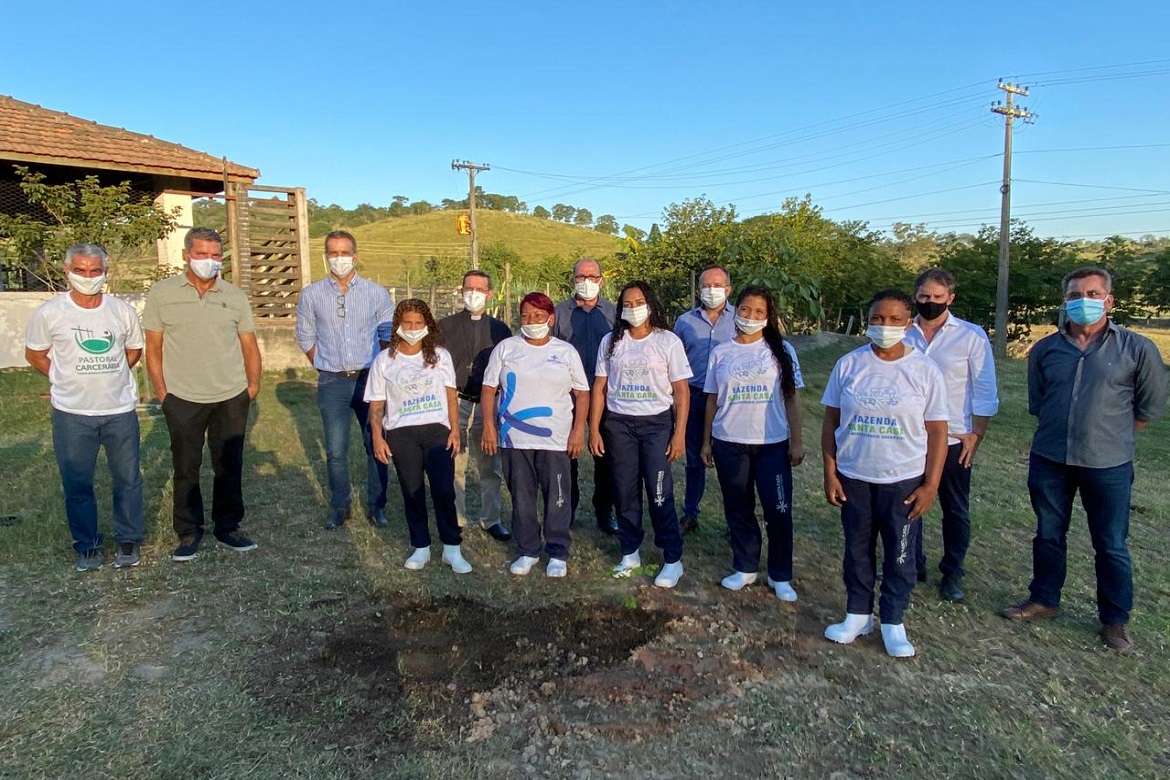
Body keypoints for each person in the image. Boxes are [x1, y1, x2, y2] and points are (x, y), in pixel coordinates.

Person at [1002, 267, 1167, 654]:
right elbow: (1040, 402)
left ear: (1109, 300)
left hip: (1107, 463)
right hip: (1050, 458)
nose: (1084, 301)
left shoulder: (1136, 348)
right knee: (1047, 534)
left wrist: (1109, 436)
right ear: (1065, 301)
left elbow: (1148, 408)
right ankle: (1043, 599)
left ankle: (1114, 621)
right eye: (1076, 294)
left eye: (1093, 294)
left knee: (1110, 544)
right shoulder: (1045, 350)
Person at [821, 289, 948, 658]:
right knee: (857, 551)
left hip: (903, 481)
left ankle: (893, 622)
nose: (885, 326)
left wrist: (930, 484)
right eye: (878, 318)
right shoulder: (849, 365)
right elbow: (831, 420)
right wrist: (831, 472)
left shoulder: (924, 370)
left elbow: (938, 431)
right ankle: (858, 614)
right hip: (855, 476)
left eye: (895, 320)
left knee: (900, 554)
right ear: (867, 321)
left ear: (909, 324)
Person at [143, 227, 262, 562]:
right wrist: (163, 392)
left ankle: (228, 527)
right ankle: (188, 531)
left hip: (230, 394)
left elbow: (249, 345)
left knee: (229, 464)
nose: (208, 261)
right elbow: (154, 347)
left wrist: (251, 386)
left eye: (214, 255)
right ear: (186, 255)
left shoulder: (234, 296)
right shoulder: (162, 294)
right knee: (186, 467)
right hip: (182, 396)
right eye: (201, 254)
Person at [24, 243, 146, 571]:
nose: (88, 277)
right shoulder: (50, 313)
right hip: (72, 413)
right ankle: (87, 545)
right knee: (78, 482)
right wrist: (64, 377)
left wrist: (112, 375)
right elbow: (35, 354)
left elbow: (133, 350)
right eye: (81, 271)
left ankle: (128, 540)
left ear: (106, 273)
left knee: (127, 478)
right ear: (67, 272)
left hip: (119, 409)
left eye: (96, 271)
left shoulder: (121, 311)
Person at [701, 285, 804, 600]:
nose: (751, 316)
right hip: (729, 442)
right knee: (738, 508)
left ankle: (780, 574)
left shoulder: (781, 351)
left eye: (759, 312)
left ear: (769, 316)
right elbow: (711, 399)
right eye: (745, 309)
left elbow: (792, 398)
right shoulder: (721, 352)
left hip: (772, 443)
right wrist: (706, 441)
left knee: (778, 509)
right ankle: (745, 567)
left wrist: (796, 441)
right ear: (736, 310)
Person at [903, 268, 999, 601]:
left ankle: (952, 572)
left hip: (955, 437)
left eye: (938, 298)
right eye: (925, 297)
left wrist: (977, 434)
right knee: (910, 503)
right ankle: (912, 563)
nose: (931, 303)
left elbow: (985, 389)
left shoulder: (971, 337)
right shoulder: (902, 332)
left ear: (950, 299)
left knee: (954, 509)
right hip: (911, 437)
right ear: (915, 296)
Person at [590, 280, 691, 589]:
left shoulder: (668, 341)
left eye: (639, 302)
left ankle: (672, 559)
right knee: (624, 490)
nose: (633, 309)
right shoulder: (611, 341)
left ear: (651, 304)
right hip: (619, 425)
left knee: (659, 492)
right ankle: (629, 551)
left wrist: (679, 434)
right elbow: (599, 388)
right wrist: (594, 428)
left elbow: (682, 391)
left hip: (656, 425)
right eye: (627, 304)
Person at [481, 293, 590, 577]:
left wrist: (579, 430)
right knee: (522, 496)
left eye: (539, 316)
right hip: (514, 438)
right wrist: (490, 427)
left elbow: (582, 393)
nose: (531, 321)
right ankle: (527, 549)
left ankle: (557, 551)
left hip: (555, 439)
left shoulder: (565, 352)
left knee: (557, 496)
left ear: (550, 319)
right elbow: (489, 388)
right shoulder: (507, 348)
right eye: (526, 316)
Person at [295, 230, 393, 530]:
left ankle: (377, 505)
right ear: (326, 257)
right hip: (332, 382)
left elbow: (387, 336)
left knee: (375, 443)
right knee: (336, 450)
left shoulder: (376, 293)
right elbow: (305, 336)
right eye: (333, 253)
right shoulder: (311, 295)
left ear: (356, 256)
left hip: (368, 380)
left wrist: (381, 373)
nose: (339, 259)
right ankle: (340, 506)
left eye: (344, 252)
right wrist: (324, 364)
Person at [366, 299, 471, 574]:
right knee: (412, 491)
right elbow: (376, 405)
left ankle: (452, 548)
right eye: (407, 323)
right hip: (401, 434)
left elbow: (451, 395)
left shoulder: (440, 356)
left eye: (418, 323)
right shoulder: (384, 360)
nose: (412, 328)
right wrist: (378, 437)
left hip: (437, 431)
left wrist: (455, 430)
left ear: (428, 325)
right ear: (398, 326)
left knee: (443, 490)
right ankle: (421, 546)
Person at [438, 270, 512, 542]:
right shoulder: (444, 327)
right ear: (461, 291)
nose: (473, 293)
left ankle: (491, 519)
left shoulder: (500, 330)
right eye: (469, 288)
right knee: (455, 461)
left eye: (479, 289)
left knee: (489, 464)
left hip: (487, 403)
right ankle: (455, 517)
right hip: (456, 400)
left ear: (490, 294)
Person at [551, 257, 619, 536]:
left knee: (607, 456)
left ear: (601, 280)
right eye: (581, 277)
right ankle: (568, 508)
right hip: (568, 397)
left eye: (592, 277)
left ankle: (605, 510)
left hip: (607, 395)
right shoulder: (559, 314)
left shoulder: (615, 314)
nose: (586, 282)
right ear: (573, 280)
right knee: (568, 454)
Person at [674, 265, 736, 535]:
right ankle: (690, 513)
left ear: (728, 289)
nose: (711, 291)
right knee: (694, 460)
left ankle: (735, 520)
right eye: (706, 286)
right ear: (699, 289)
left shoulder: (739, 319)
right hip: (694, 397)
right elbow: (674, 362)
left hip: (728, 401)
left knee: (731, 462)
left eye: (717, 285)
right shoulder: (684, 322)